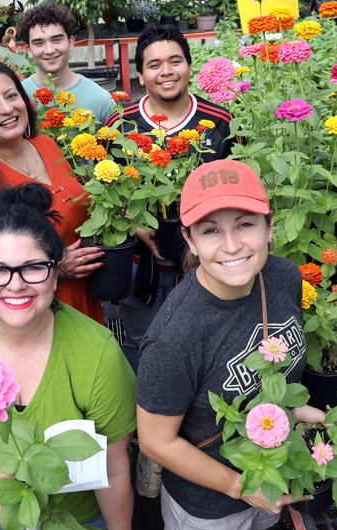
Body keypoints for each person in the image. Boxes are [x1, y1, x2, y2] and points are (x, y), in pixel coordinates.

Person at [0, 184, 137, 530]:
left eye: (33, 267)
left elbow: (114, 464)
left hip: (78, 522)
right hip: (6, 516)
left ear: (56, 272)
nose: (15, 285)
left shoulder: (97, 351)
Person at [135, 160, 327, 530]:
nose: (232, 245)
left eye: (244, 223)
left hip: (273, 469)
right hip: (209, 505)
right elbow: (157, 441)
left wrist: (298, 411)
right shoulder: (175, 338)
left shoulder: (283, 276)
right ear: (189, 240)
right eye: (211, 230)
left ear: (269, 227)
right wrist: (240, 488)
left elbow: (276, 370)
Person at [103, 24, 238, 372]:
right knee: (141, 343)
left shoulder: (219, 122)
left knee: (205, 346)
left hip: (205, 265)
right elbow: (106, 191)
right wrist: (135, 226)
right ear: (140, 73)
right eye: (154, 64)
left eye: (175, 61)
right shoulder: (121, 126)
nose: (166, 71)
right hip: (141, 267)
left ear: (190, 67)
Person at [0, 59, 104, 323]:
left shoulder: (46, 145)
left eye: (11, 95)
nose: (6, 108)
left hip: (85, 302)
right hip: (30, 319)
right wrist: (53, 271)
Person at [16, 3, 114, 124]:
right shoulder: (18, 98)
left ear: (71, 42)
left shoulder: (101, 100)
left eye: (56, 40)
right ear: (29, 50)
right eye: (39, 43)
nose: (49, 50)